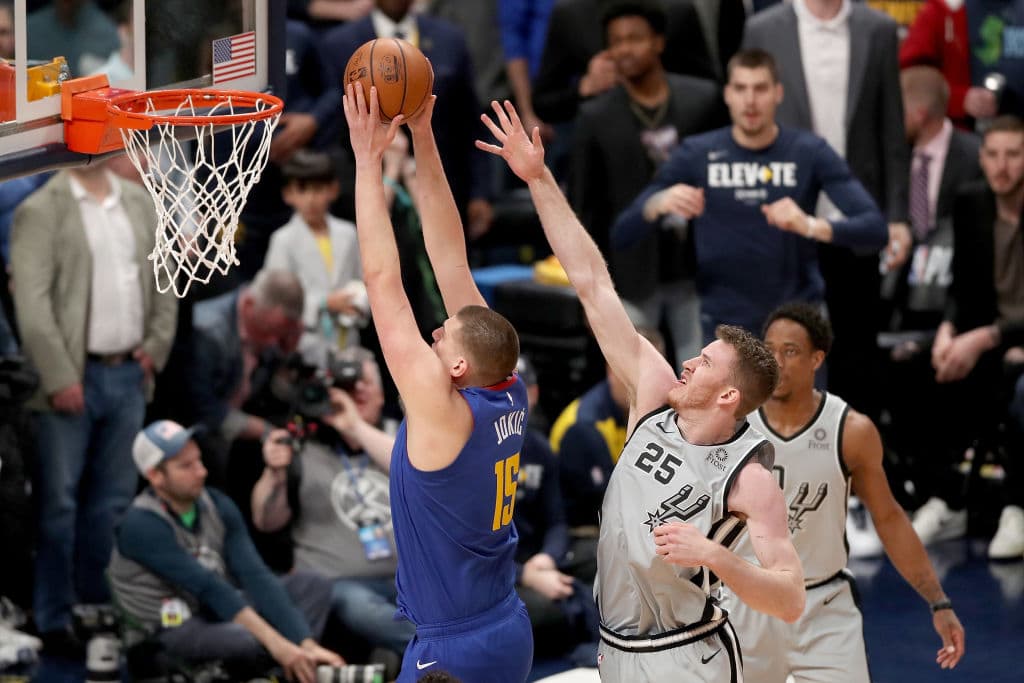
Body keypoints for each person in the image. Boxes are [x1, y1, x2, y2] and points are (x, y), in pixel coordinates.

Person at [478, 98, 805, 682]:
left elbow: (790, 599)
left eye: (706, 362)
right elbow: (592, 283)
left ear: (728, 397)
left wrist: (715, 556)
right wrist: (539, 178)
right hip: (615, 648)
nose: (688, 362)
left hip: (686, 656)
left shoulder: (750, 479)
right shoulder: (654, 393)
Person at [344, 84, 532, 682]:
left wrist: (367, 161)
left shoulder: (443, 411)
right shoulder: (508, 384)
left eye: (442, 337)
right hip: (509, 626)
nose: (433, 332)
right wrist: (424, 137)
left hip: (453, 648)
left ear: (456, 369)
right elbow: (450, 258)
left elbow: (382, 281)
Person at [718, 302, 965, 681]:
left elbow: (889, 518)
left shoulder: (851, 431)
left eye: (790, 351)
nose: (777, 362)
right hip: (749, 602)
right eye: (769, 350)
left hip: (823, 604)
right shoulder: (732, 424)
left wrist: (938, 601)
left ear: (817, 359)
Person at [10, 161, 177, 657]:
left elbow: (164, 275)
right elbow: (32, 305)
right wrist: (59, 375)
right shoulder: (40, 209)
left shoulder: (139, 201)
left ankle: (101, 607)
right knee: (58, 505)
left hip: (129, 372)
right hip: (73, 377)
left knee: (114, 504)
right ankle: (55, 616)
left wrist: (156, 347)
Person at [612, 48, 888, 341]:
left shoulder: (809, 151)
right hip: (723, 326)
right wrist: (656, 205)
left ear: (778, 93)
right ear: (727, 94)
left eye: (760, 89)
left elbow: (875, 230)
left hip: (795, 322)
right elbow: (621, 236)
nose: (750, 100)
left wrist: (810, 226)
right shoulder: (697, 153)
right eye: (741, 88)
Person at [743, 0, 910, 420]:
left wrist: (897, 217)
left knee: (856, 344)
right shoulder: (764, 28)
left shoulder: (878, 29)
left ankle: (852, 451)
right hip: (783, 216)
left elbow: (891, 128)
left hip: (856, 219)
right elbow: (750, 121)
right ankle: (775, 446)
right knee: (778, 342)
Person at [108, 420, 344, 683]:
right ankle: (280, 666)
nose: (201, 471)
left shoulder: (217, 504)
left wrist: (304, 641)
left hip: (215, 612)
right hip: (166, 629)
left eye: (198, 460)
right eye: (186, 466)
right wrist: (278, 644)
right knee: (246, 639)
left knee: (313, 586)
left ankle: (294, 666)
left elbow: (255, 576)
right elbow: (208, 587)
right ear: (155, 476)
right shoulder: (140, 524)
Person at [570, 0, 723, 365]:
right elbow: (584, 208)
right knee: (636, 382)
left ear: (658, 41)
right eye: (616, 41)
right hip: (628, 272)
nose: (625, 49)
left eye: (635, 38)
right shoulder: (595, 116)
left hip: (697, 266)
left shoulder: (703, 100)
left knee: (705, 373)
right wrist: (589, 290)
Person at [251, 347, 415, 659]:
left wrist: (355, 426)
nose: (359, 390)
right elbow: (265, 521)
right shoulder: (303, 448)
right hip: (339, 584)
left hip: (406, 580)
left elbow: (415, 470)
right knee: (361, 607)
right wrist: (274, 474)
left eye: (366, 382)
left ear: (383, 393)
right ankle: (446, 656)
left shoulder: (403, 437)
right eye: (348, 385)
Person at [911, 115, 1024, 558]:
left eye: (1013, 155)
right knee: (922, 369)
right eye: (993, 155)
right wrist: (947, 331)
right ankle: (946, 499)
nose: (1002, 166)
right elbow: (960, 286)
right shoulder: (971, 202)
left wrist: (983, 338)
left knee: (1018, 388)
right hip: (989, 334)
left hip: (1003, 338)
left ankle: (1016, 507)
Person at [187, 269, 305, 484]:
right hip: (207, 431)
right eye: (268, 332)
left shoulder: (268, 325)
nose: (272, 343)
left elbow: (276, 392)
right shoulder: (209, 333)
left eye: (279, 335)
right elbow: (203, 410)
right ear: (249, 305)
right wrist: (263, 429)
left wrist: (288, 353)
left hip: (245, 414)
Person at [263, 150, 369, 355]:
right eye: (302, 190)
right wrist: (324, 303)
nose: (310, 199)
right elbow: (275, 298)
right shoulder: (283, 240)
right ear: (288, 194)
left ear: (333, 190)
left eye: (318, 189)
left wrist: (359, 303)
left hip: (347, 338)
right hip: (303, 344)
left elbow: (363, 280)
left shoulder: (347, 233)